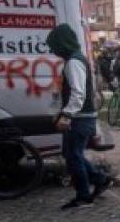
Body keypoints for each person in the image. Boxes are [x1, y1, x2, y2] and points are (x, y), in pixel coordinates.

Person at [47, 23, 111, 210]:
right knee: (71, 154)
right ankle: (100, 179)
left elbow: (78, 93)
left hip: (80, 118)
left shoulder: (74, 62)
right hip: (81, 117)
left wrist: (66, 115)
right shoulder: (74, 60)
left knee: (73, 157)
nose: (52, 50)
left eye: (54, 45)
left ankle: (84, 197)